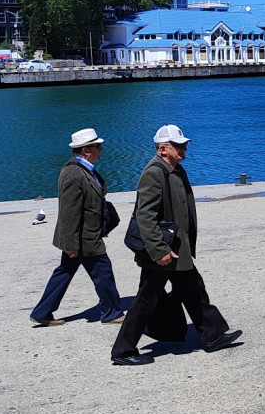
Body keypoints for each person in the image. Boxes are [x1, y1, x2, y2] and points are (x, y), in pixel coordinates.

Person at [110, 124, 241, 366]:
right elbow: (145, 216)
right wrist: (159, 250)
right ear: (162, 149)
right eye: (179, 146)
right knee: (146, 300)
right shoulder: (154, 173)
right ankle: (123, 350)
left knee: (194, 291)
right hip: (163, 250)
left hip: (178, 249)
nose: (184, 149)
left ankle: (212, 336)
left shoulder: (175, 169)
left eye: (184, 145)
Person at [30, 128, 126, 327]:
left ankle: (42, 312)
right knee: (103, 272)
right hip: (83, 238)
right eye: (97, 146)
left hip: (84, 236)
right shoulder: (74, 173)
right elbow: (69, 211)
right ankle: (111, 313)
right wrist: (71, 243)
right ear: (85, 150)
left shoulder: (85, 169)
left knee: (65, 271)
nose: (101, 149)